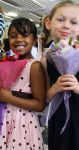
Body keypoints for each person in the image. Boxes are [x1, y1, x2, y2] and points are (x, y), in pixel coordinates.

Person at [0, 18, 46, 150]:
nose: (18, 39)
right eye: (13, 36)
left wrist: (9, 98)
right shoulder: (3, 63)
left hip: (21, 123)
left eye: (25, 35)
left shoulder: (34, 66)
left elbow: (40, 105)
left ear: (34, 40)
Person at [41, 1, 79, 150]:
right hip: (59, 116)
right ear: (49, 23)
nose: (66, 26)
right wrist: (56, 87)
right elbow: (46, 97)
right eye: (61, 20)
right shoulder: (46, 59)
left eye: (74, 22)